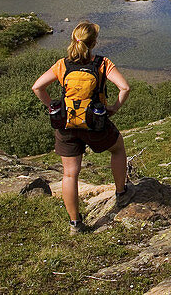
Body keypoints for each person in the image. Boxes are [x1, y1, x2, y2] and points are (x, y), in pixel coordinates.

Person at [32, 21, 132, 234]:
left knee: (70, 174)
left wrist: (52, 106)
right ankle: (121, 193)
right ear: (94, 42)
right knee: (118, 148)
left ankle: (75, 224)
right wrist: (114, 107)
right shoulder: (103, 63)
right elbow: (124, 87)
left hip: (66, 124)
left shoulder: (62, 64)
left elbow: (37, 87)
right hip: (95, 123)